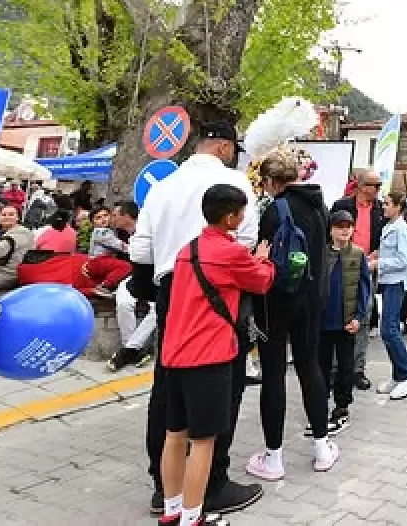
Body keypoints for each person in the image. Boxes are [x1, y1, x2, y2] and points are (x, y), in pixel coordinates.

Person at [129, 121, 264, 517]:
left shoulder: (162, 185)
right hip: (219, 290)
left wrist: (155, 295)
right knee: (222, 388)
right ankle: (212, 484)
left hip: (171, 288)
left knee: (168, 386)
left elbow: (141, 248)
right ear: (224, 147)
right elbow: (246, 243)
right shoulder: (236, 184)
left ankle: (164, 487)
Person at [158, 184, 275, 526]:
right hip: (209, 356)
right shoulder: (232, 252)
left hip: (175, 354)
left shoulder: (187, 249)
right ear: (230, 217)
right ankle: (194, 517)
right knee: (204, 441)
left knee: (174, 435)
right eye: (240, 212)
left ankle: (172, 510)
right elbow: (261, 281)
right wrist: (264, 259)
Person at [245, 147, 338, 482]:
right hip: (312, 301)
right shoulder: (319, 206)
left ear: (271, 180)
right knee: (309, 367)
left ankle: (273, 458)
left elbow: (263, 255)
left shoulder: (274, 210)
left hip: (276, 302)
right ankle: (322, 448)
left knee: (273, 374)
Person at [331, 167, 385, 392]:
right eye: (375, 185)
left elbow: (384, 235)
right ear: (362, 186)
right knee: (337, 313)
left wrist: (378, 252)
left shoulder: (380, 209)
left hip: (366, 266)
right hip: (341, 264)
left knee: (363, 315)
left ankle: (357, 369)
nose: (378, 190)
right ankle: (335, 369)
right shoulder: (342, 206)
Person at [318, 210, 371, 433]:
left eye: (349, 226)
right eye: (340, 226)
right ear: (330, 229)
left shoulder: (358, 255)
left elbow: (364, 290)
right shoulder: (320, 254)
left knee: (345, 367)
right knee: (321, 366)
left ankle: (342, 406)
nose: (345, 230)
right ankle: (319, 405)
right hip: (322, 322)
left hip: (346, 322)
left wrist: (359, 318)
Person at [374, 190, 407, 400]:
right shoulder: (389, 227)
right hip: (387, 281)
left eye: (387, 204)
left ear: (398, 207)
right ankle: (399, 374)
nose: (384, 207)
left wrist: (378, 263)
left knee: (390, 330)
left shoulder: (402, 229)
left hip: (396, 282)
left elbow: (404, 259)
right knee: (387, 329)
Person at [109, 201, 158, 372]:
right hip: (130, 278)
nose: (112, 219)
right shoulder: (116, 235)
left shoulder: (151, 233)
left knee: (158, 309)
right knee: (123, 303)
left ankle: (128, 350)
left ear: (127, 216)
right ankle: (131, 349)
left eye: (115, 215)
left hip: (153, 279)